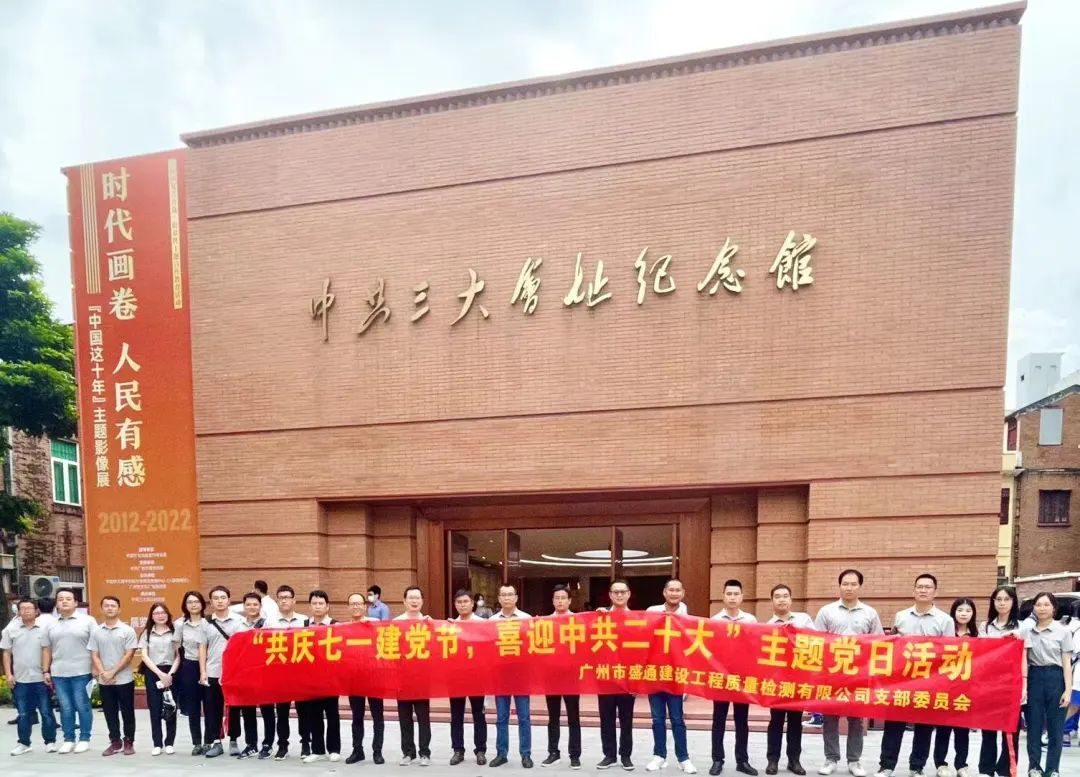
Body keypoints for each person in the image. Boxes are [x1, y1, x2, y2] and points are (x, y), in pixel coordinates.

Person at [874, 573, 953, 777]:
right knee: (894, 724)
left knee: (924, 726)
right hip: (902, 680)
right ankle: (886, 766)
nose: (923, 590)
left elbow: (951, 651)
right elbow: (893, 645)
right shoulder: (901, 616)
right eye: (920, 587)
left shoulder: (945, 620)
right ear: (914, 590)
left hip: (929, 681)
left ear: (935, 592)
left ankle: (916, 767)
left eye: (928, 587)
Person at [815, 569, 882, 777]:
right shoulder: (826, 611)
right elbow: (817, 642)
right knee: (830, 717)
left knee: (856, 719)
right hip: (832, 674)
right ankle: (831, 758)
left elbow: (879, 643)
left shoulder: (870, 613)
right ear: (839, 586)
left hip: (859, 675)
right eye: (845, 584)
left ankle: (854, 760)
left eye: (853, 584)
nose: (849, 588)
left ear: (859, 586)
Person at [645, 579, 695, 774]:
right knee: (657, 719)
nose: (674, 593)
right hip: (655, 674)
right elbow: (639, 632)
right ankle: (659, 756)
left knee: (677, 719)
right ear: (664, 592)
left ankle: (684, 758)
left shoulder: (687, 617)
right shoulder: (652, 611)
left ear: (682, 593)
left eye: (677, 590)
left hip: (676, 676)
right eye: (671, 590)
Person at [709, 579, 759, 776]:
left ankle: (742, 761)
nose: (732, 597)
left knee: (742, 720)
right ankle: (717, 760)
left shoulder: (751, 620)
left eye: (736, 594)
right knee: (718, 720)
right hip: (720, 678)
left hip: (742, 679)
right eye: (729, 594)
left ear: (741, 597)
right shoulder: (715, 620)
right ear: (723, 596)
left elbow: (756, 648)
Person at [764, 584, 814, 776]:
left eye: (785, 596)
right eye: (777, 596)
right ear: (772, 601)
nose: (782, 599)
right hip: (777, 682)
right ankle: (772, 760)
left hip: (798, 680)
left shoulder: (804, 620)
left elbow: (818, 642)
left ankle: (794, 760)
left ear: (791, 599)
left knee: (795, 721)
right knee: (775, 721)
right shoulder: (767, 626)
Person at [977, 585, 1027, 777]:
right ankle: (986, 768)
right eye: (998, 599)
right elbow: (981, 654)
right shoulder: (985, 627)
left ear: (1013, 602)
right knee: (988, 728)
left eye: (1006, 599)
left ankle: (1006, 768)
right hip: (989, 684)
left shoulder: (1022, 627)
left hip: (1012, 684)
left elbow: (1024, 658)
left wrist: (1024, 684)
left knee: (1011, 729)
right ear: (993, 602)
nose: (1002, 603)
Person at [42, 586, 96, 753]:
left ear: (76, 603)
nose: (64, 601)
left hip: (82, 671)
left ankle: (84, 738)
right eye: (60, 599)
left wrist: (95, 667)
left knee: (82, 706)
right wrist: (45, 670)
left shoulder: (88, 621)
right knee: (65, 707)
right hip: (59, 672)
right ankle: (68, 739)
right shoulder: (51, 625)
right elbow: (46, 649)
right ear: (56, 604)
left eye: (68, 599)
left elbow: (96, 646)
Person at [1024, 591, 1072, 777]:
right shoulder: (1028, 630)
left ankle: (1053, 769)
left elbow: (1066, 663)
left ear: (1054, 608)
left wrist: (1068, 690)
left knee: (1055, 728)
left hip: (1056, 678)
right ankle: (1034, 767)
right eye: (1038, 605)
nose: (1042, 608)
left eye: (1046, 605)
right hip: (1034, 677)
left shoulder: (1063, 631)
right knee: (1033, 726)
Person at [2, 597, 56, 755]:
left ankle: (50, 742)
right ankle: (24, 743)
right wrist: (8, 674)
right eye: (22, 609)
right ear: (18, 612)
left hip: (40, 679)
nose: (25, 611)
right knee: (23, 714)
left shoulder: (44, 629)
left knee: (46, 712)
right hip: (20, 679)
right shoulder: (11, 630)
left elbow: (46, 650)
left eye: (29, 608)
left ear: (36, 611)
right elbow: (6, 653)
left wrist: (46, 671)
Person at [930, 598, 978, 777]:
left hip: (966, 688)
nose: (964, 613)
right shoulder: (945, 632)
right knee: (943, 727)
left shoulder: (977, 635)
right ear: (953, 612)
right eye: (960, 610)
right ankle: (941, 764)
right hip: (945, 687)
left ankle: (961, 765)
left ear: (973, 614)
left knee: (963, 729)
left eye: (968, 610)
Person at [263, 584, 312, 760]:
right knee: (282, 712)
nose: (284, 600)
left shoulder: (305, 621)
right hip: (280, 674)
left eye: (287, 597)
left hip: (300, 673)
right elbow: (264, 646)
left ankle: (306, 744)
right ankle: (282, 745)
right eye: (281, 598)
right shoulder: (270, 622)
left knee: (303, 712)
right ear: (277, 601)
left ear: (294, 600)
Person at [89, 595, 138, 756]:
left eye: (113, 605)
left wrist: (112, 672)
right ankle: (115, 742)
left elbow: (129, 655)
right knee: (110, 712)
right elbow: (94, 655)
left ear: (119, 609)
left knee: (127, 712)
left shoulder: (127, 630)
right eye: (106, 605)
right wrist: (104, 673)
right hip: (105, 680)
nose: (110, 608)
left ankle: (129, 741)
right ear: (102, 609)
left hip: (124, 679)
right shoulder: (96, 631)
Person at [491, 583, 533, 769]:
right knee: (501, 717)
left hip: (521, 675)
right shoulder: (491, 621)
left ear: (516, 598)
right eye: (504, 595)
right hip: (500, 676)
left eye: (510, 594)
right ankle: (501, 753)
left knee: (524, 717)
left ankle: (526, 754)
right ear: (499, 598)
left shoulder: (526, 619)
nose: (507, 598)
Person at [597, 579, 636, 770]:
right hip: (605, 676)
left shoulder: (637, 619)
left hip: (627, 678)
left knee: (626, 719)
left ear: (629, 594)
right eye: (616, 592)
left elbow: (640, 650)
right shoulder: (600, 617)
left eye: (623, 592)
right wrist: (597, 618)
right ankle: (609, 755)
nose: (619, 595)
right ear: (610, 595)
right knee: (606, 718)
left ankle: (626, 755)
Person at [545, 584, 583, 770]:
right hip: (551, 676)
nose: (560, 601)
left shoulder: (578, 621)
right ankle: (553, 752)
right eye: (557, 598)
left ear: (569, 601)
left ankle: (574, 755)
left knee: (573, 717)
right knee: (553, 717)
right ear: (552, 601)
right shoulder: (544, 622)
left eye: (563, 598)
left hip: (571, 676)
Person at [449, 589, 488, 766]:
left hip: (477, 677)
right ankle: (458, 750)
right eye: (459, 602)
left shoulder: (483, 624)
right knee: (456, 716)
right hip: (456, 677)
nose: (462, 605)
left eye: (465, 601)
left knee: (479, 715)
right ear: (455, 605)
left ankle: (480, 750)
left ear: (472, 604)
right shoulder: (449, 625)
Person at [346, 591, 385, 765]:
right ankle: (357, 750)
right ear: (348, 607)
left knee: (378, 716)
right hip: (354, 679)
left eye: (359, 603)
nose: (356, 606)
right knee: (357, 716)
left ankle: (377, 751)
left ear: (365, 606)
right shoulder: (343, 628)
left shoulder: (375, 623)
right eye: (352, 604)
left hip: (374, 677)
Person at [303, 589, 342, 763]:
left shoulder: (336, 625)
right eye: (314, 603)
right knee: (314, 715)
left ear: (327, 606)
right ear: (310, 606)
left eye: (321, 603)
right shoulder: (304, 625)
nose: (317, 606)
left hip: (330, 677)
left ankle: (334, 749)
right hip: (311, 678)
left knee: (332, 714)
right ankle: (317, 750)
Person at [396, 586, 433, 766]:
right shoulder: (395, 623)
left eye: (417, 598)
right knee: (404, 718)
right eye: (411, 597)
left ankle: (424, 753)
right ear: (404, 601)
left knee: (423, 717)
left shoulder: (429, 623)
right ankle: (408, 753)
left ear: (422, 601)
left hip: (422, 678)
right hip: (402, 678)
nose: (414, 601)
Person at [203, 585, 241, 758]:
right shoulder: (205, 622)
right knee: (213, 708)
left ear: (229, 600)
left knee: (234, 707)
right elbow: (202, 647)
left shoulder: (239, 621)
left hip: (233, 672)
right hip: (213, 670)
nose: (220, 601)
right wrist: (203, 671)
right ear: (211, 602)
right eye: (216, 598)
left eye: (223, 597)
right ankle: (216, 742)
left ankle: (234, 740)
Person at [139, 601, 180, 756]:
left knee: (171, 707)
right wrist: (160, 674)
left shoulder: (174, 631)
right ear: (152, 616)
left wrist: (170, 674)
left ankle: (169, 743)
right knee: (155, 708)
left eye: (163, 612)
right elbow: (144, 656)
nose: (160, 616)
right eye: (156, 613)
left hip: (171, 671)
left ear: (168, 614)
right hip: (153, 672)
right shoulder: (147, 633)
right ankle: (157, 743)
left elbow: (179, 656)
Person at [173, 589, 210, 755]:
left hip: (209, 665)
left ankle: (209, 740)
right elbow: (176, 650)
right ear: (185, 605)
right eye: (190, 602)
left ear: (202, 604)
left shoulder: (209, 623)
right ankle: (197, 742)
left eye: (196, 601)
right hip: (189, 666)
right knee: (193, 706)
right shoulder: (179, 624)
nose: (193, 605)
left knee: (209, 705)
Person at [230, 592, 264, 759]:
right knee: (248, 710)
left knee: (267, 710)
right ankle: (251, 744)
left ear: (260, 606)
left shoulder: (268, 625)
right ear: (244, 606)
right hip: (244, 673)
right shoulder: (238, 626)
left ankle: (268, 744)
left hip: (264, 673)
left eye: (255, 604)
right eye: (248, 604)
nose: (252, 607)